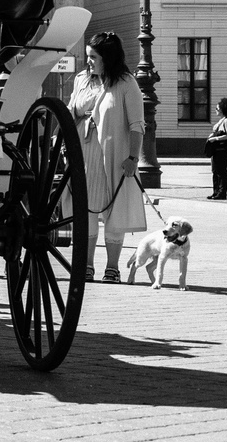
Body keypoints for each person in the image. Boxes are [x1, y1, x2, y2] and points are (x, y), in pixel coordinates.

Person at [69, 31, 145, 282]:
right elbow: (71, 111)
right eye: (88, 55)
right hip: (85, 153)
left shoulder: (126, 83)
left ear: (108, 58)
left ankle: (112, 267)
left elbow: (137, 125)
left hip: (115, 156)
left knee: (114, 210)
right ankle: (87, 265)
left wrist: (133, 158)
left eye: (94, 56)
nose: (88, 61)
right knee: (87, 209)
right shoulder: (82, 79)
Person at [207, 97, 227, 200]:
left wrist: (215, 138)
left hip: (222, 150)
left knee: (221, 171)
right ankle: (216, 192)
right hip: (216, 149)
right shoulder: (221, 120)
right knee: (215, 171)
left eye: (217, 108)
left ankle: (222, 193)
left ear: (222, 109)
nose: (215, 110)